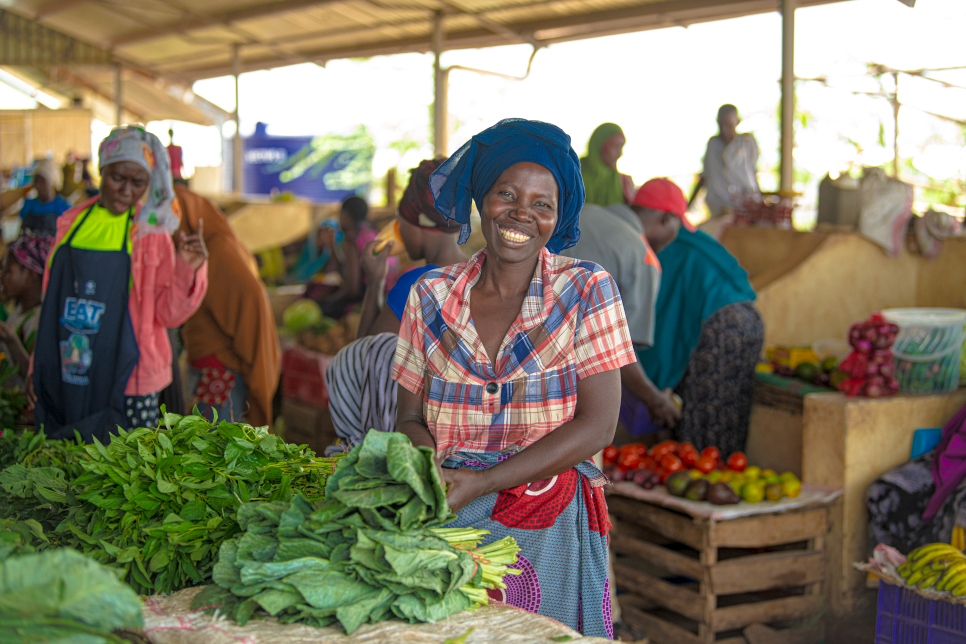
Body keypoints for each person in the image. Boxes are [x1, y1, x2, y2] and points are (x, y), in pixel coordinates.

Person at [393, 119, 636, 637]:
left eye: (541, 204)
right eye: (506, 193)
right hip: (447, 516)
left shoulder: (586, 290)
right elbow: (409, 416)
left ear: (557, 216)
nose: (521, 213)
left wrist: (484, 482)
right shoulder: (431, 295)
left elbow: (598, 427)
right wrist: (428, 465)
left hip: (547, 524)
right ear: (482, 198)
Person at [31, 126, 209, 442]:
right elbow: (52, 305)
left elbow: (168, 315)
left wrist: (187, 269)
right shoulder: (70, 224)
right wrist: (38, 367)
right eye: (117, 178)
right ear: (101, 172)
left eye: (137, 182)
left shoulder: (151, 234)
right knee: (76, 464)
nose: (126, 190)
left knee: (128, 474)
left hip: (134, 380)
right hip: (75, 369)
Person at [325, 159, 467, 454]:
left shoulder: (418, 283)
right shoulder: (478, 274)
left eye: (401, 220)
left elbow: (364, 356)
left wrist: (375, 282)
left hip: (411, 439)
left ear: (419, 222)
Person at [562, 178, 694, 432]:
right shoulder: (642, 255)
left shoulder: (583, 213)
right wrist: (655, 400)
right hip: (568, 386)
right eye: (678, 227)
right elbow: (618, 351)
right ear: (666, 220)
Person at [637, 227, 762, 455]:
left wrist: (656, 387)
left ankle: (701, 473)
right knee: (729, 408)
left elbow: (664, 323)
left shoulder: (663, 252)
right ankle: (722, 471)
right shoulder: (695, 239)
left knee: (701, 408)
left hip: (720, 328)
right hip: (749, 321)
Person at [175, 184, 281, 428]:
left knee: (214, 457)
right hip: (209, 370)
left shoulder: (216, 249)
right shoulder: (194, 250)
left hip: (219, 375)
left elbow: (251, 303)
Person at [868, 403, 966, 555]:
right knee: (884, 491)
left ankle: (950, 572)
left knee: (961, 510)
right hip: (955, 455)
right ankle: (890, 570)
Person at [689, 104, 761, 218]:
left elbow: (753, 172)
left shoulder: (746, 143)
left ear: (737, 121)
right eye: (721, 125)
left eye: (729, 125)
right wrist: (688, 205)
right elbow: (705, 176)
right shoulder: (713, 144)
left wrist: (758, 199)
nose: (724, 130)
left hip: (746, 205)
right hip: (719, 207)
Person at [0, 233, 53, 386]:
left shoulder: (39, 320)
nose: (2, 277)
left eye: (8, 271)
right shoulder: (18, 311)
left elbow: (36, 378)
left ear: (29, 275)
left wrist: (11, 341)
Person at [580, 123, 636, 207]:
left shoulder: (623, 182)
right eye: (616, 147)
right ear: (599, 145)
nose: (620, 153)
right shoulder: (574, 172)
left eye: (621, 147)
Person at [20, 159, 72, 236]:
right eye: (36, 181)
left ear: (52, 182)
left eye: (42, 181)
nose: (38, 185)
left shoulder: (64, 207)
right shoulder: (28, 205)